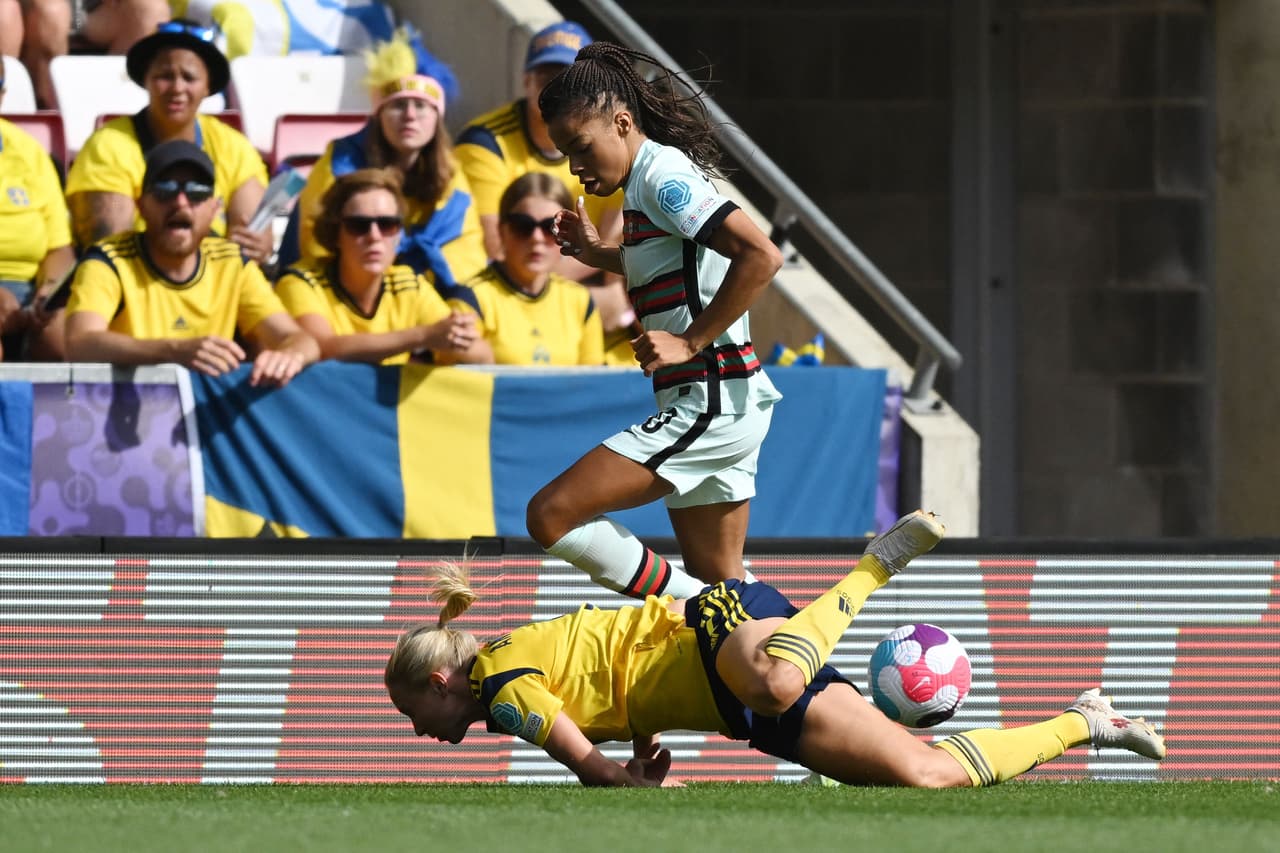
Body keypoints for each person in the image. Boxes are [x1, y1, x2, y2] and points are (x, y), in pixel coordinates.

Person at [384, 510, 1168, 787]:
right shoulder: (504, 668)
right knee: (924, 773)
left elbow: (590, 766)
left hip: (723, 625)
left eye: (412, 709)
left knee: (773, 677)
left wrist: (628, 782)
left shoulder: (500, 686)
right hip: (738, 698)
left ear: (443, 677)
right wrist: (645, 746)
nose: (416, 729)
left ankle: (873, 566)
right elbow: (608, 673)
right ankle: (1087, 719)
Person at [520, 42, 783, 602]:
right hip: (718, 398)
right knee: (726, 590)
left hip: (708, 399)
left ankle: (691, 610)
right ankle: (808, 679)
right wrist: (600, 255)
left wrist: (691, 340)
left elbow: (761, 256)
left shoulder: (662, 177)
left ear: (621, 122)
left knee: (550, 515)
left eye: (581, 146)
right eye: (565, 153)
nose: (575, 166)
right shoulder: (645, 184)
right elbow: (681, 261)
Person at [64, 139, 319, 386]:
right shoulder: (109, 260)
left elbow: (298, 339)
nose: (180, 203)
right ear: (141, 206)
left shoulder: (231, 263)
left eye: (197, 193)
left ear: (214, 209)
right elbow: (80, 342)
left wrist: (288, 356)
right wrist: (174, 351)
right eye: (165, 190)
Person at [456, 20, 635, 364]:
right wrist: (592, 282)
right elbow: (501, 248)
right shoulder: (485, 143)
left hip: (590, 296)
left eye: (569, 82)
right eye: (545, 78)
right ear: (526, 82)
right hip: (508, 293)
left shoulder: (614, 140)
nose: (556, 92)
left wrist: (608, 283)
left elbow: (627, 233)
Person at [278, 27, 486, 288]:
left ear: (437, 118)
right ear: (378, 116)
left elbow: (467, 254)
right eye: (398, 105)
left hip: (423, 295)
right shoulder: (339, 163)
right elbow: (319, 243)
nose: (410, 115)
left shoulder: (451, 171)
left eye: (421, 106)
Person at [65, 19, 273, 263]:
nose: (177, 87)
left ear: (208, 86)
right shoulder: (108, 145)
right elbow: (112, 252)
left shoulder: (233, 145)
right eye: (165, 76)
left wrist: (257, 246)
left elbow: (253, 240)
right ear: (146, 80)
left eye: (189, 77)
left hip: (218, 284)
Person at [275, 167, 492, 366]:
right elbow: (323, 348)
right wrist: (422, 336)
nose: (374, 236)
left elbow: (483, 358)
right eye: (359, 226)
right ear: (335, 234)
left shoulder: (408, 284)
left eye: (387, 225)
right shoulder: (300, 282)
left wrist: (457, 337)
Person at [464, 173, 604, 366]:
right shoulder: (471, 299)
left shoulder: (581, 302)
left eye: (550, 227)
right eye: (523, 225)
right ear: (500, 230)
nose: (536, 238)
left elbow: (594, 386)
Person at [0, 78, 74, 360]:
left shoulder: (27, 151)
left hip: (29, 295)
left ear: (2, 94)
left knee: (66, 336)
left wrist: (50, 289)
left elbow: (59, 248)